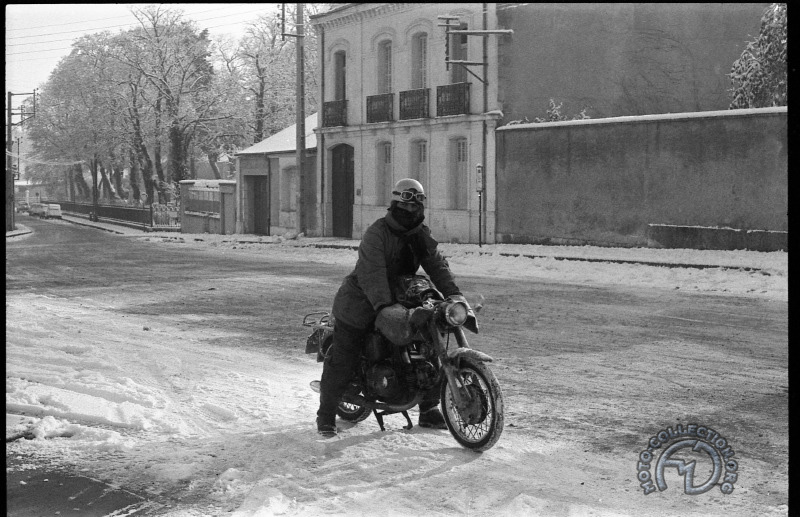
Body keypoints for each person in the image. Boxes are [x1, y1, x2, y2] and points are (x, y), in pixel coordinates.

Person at [316, 178, 464, 437]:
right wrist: (386, 308)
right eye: (406, 206)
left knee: (430, 342)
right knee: (344, 357)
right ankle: (326, 415)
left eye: (416, 207)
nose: (411, 212)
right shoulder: (377, 233)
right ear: (394, 205)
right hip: (361, 302)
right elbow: (372, 274)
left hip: (401, 297)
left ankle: (428, 409)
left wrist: (453, 295)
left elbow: (437, 265)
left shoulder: (420, 235)